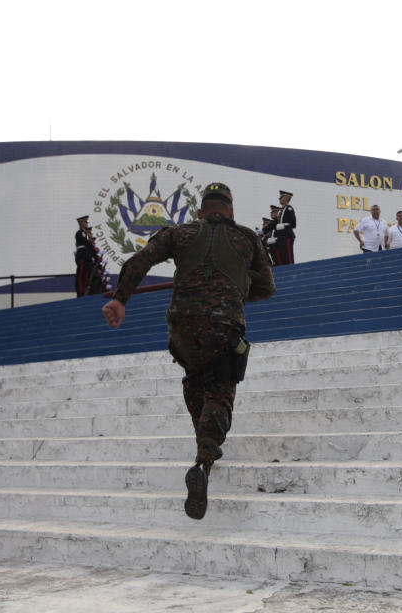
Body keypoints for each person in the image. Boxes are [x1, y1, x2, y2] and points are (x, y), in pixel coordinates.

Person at [101, 182, 275, 520]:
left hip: (182, 325)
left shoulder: (179, 233)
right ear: (231, 211)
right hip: (224, 325)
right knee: (220, 392)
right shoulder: (247, 238)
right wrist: (236, 291)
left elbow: (140, 260)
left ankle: (205, 441)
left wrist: (120, 299)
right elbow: (267, 288)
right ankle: (203, 461)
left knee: (195, 379)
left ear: (200, 211)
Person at [75, 216, 99, 297]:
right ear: (81, 223)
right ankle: (80, 294)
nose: (87, 223)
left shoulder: (84, 234)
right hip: (82, 256)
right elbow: (86, 243)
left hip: (86, 257)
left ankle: (84, 293)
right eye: (85, 222)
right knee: (81, 276)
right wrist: (94, 251)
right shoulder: (79, 233)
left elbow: (89, 245)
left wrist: (96, 257)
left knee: (86, 276)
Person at [272, 190, 296, 265]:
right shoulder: (282, 211)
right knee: (283, 257)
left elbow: (293, 224)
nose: (279, 199)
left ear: (286, 198)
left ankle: (291, 271)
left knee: (288, 256)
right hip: (281, 237)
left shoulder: (289, 209)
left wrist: (284, 225)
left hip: (287, 236)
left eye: (281, 197)